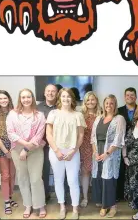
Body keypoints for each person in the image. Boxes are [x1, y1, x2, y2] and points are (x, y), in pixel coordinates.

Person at [46, 88, 86, 220]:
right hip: (56, 152)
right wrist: (57, 151)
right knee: (58, 180)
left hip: (72, 152)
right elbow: (48, 134)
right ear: (59, 98)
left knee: (73, 180)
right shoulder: (53, 113)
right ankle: (62, 207)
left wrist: (73, 151)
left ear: (72, 99)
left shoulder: (78, 115)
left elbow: (81, 136)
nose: (66, 99)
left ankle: (75, 208)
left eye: (68, 96)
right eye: (63, 96)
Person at [6, 88, 46, 219]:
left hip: (35, 149)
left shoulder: (39, 115)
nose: (26, 99)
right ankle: (28, 205)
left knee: (36, 179)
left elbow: (39, 135)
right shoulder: (12, 114)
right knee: (23, 179)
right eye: (23, 97)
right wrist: (24, 145)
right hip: (17, 150)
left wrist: (27, 149)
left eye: (28, 97)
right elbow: (10, 133)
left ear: (32, 98)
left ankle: (40, 205)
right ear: (20, 99)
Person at [91, 94, 126, 218]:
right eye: (107, 103)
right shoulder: (98, 118)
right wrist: (95, 152)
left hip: (110, 153)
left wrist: (107, 154)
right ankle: (103, 206)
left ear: (115, 105)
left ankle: (113, 207)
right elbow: (93, 138)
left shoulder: (119, 119)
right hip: (97, 152)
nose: (109, 105)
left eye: (111, 103)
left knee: (109, 180)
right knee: (99, 179)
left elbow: (118, 139)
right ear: (103, 104)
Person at [0, 90, 17, 215]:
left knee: (12, 175)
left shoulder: (15, 111)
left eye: (5, 98)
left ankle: (10, 197)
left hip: (15, 148)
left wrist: (13, 149)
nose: (3, 100)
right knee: (5, 176)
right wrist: (6, 151)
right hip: (2, 150)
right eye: (0, 98)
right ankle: (6, 202)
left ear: (9, 98)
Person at [37, 83, 58, 201]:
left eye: (53, 91)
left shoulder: (61, 107)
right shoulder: (37, 108)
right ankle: (44, 196)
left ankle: (63, 197)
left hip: (58, 145)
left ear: (57, 93)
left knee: (60, 172)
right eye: (48, 91)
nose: (50, 93)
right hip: (42, 146)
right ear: (44, 93)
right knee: (43, 172)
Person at [80, 91, 101, 208]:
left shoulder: (102, 115)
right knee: (85, 172)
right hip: (84, 147)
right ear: (85, 102)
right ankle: (85, 197)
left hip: (98, 147)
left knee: (97, 173)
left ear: (96, 101)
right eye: (88, 100)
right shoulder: (81, 115)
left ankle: (97, 197)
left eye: (92, 99)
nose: (90, 102)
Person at [117, 87, 137, 201]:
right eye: (127, 95)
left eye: (132, 95)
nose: (130, 97)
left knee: (135, 170)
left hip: (137, 145)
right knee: (121, 170)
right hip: (121, 145)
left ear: (136, 97)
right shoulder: (118, 110)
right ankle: (120, 195)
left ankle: (133, 195)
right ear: (124, 97)